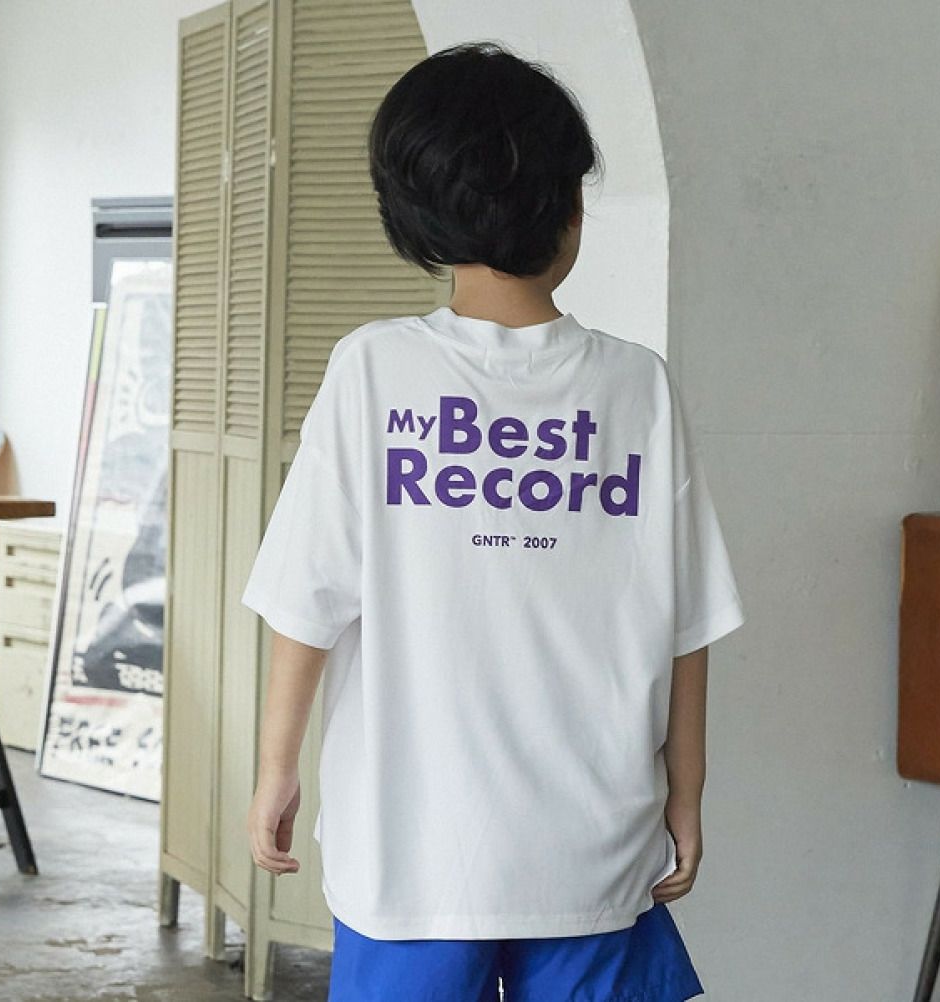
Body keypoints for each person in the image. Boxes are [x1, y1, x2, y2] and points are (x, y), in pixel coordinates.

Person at [241, 39, 745, 1002]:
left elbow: (307, 603)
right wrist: (686, 794)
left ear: (411, 214)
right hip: (593, 846)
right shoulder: (636, 387)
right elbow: (687, 626)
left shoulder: (374, 369)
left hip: (412, 852)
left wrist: (276, 767)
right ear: (572, 209)